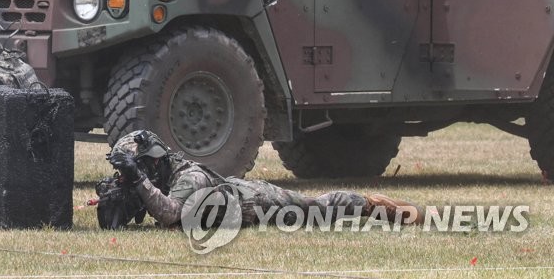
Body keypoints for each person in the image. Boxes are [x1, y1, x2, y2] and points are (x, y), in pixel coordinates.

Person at [104, 130, 424, 229]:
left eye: (141, 167)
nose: (140, 173)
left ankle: (370, 204)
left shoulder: (189, 176)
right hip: (239, 199)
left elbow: (172, 213)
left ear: (155, 160)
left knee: (318, 210)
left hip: (257, 202)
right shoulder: (163, 175)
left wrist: (138, 181)